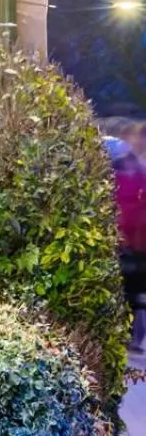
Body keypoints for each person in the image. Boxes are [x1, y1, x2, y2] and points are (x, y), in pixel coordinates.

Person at [105, 136, 146, 351]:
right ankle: (133, 336)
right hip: (131, 244)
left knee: (129, 292)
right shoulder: (139, 175)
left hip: (127, 244)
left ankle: (131, 336)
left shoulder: (111, 178)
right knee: (133, 293)